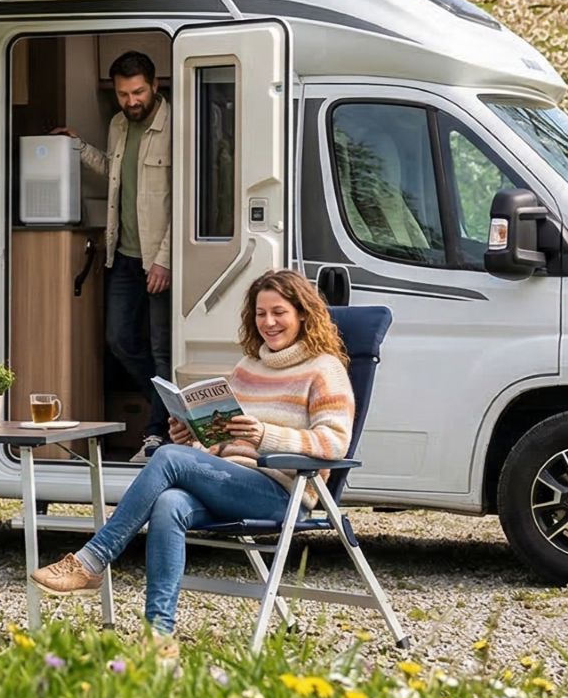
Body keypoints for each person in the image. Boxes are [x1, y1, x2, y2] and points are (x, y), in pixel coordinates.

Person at [28, 268, 355, 643]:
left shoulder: (324, 369)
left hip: (281, 493)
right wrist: (192, 436)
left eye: (279, 312)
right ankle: (158, 637)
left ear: (302, 314)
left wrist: (266, 435)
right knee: (169, 502)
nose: (268, 322)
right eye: (261, 313)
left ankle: (92, 561)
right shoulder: (248, 367)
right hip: (229, 482)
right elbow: (223, 440)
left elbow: (334, 443)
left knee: (167, 457)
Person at [54, 51, 172, 460]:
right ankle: (173, 410)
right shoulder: (119, 124)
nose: (131, 101)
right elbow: (115, 173)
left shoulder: (176, 126)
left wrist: (165, 258)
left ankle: (156, 433)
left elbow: (186, 196)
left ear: (154, 85)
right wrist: (78, 147)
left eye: (138, 92)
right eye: (123, 94)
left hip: (158, 258)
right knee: (118, 340)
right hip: (123, 254)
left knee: (161, 349)